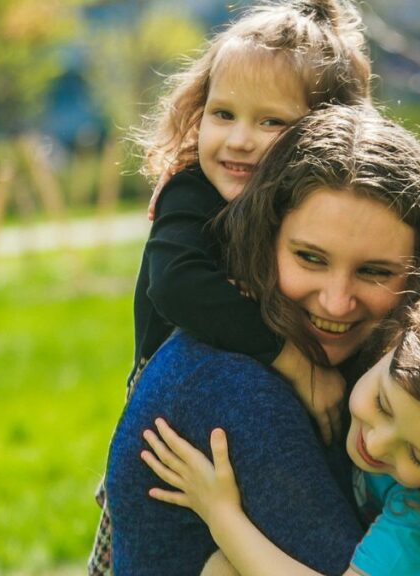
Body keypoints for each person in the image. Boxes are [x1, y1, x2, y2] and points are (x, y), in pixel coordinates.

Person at [106, 104, 420, 575]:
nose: (335, 302)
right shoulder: (225, 386)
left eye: (374, 271)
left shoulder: (407, 360)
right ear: (263, 241)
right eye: (310, 258)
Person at [88, 1, 372, 571]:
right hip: (181, 419)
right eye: (223, 114)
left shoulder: (309, 211)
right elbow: (178, 286)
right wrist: (292, 362)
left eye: (271, 123)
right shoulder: (191, 194)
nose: (240, 140)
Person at [141, 277, 420, 576]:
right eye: (382, 402)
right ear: (396, 337)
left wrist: (222, 514)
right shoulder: (400, 346)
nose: (376, 443)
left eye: (419, 456)